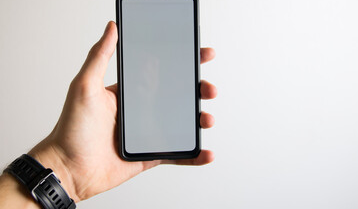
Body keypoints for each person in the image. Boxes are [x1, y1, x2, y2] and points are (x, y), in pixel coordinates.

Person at [0, 21, 217, 208]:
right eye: (142, 53)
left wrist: (64, 170)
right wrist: (64, 168)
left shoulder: (169, 130)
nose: (147, 65)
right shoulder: (117, 118)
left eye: (156, 57)